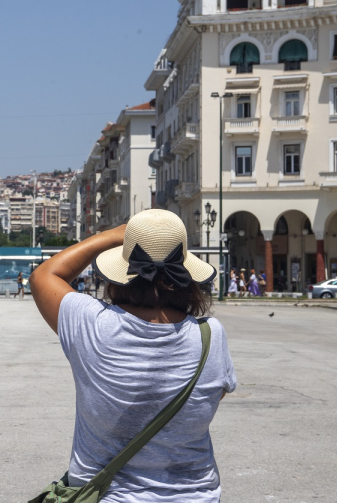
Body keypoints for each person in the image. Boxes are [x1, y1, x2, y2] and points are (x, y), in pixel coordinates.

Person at [30, 209, 236, 501]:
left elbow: (44, 275)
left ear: (122, 270)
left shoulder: (92, 324)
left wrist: (114, 235)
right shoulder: (211, 335)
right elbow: (212, 397)